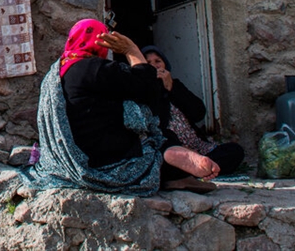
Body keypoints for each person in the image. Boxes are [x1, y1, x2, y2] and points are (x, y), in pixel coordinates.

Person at [25, 19, 224, 195]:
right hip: (106, 160)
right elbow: (146, 86)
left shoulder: (55, 76)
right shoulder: (96, 69)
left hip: (69, 159)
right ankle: (172, 158)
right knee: (155, 141)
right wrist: (132, 51)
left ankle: (173, 162)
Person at [142, 45, 245, 188]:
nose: (154, 66)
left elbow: (198, 113)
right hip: (174, 149)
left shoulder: (175, 85)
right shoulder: (141, 93)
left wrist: (171, 87)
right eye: (148, 63)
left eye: (157, 61)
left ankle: (198, 167)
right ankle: (191, 167)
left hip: (199, 148)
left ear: (165, 64)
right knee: (163, 157)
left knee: (235, 150)